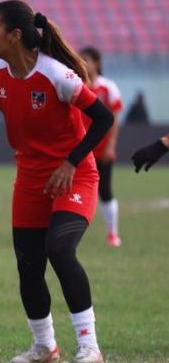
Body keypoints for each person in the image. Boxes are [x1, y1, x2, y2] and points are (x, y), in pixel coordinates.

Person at [0, 1, 113, 363]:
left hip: (74, 175)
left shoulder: (56, 75)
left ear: (14, 35)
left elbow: (103, 118)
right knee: (28, 265)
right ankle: (44, 346)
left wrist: (71, 162)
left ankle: (89, 346)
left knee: (60, 249)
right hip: (30, 179)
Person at [79, 47, 123, 246]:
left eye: (85, 59)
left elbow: (115, 118)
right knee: (74, 191)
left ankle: (112, 233)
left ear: (96, 63)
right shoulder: (76, 85)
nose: (82, 63)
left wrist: (111, 145)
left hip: (102, 149)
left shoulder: (107, 87)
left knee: (105, 191)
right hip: (80, 150)